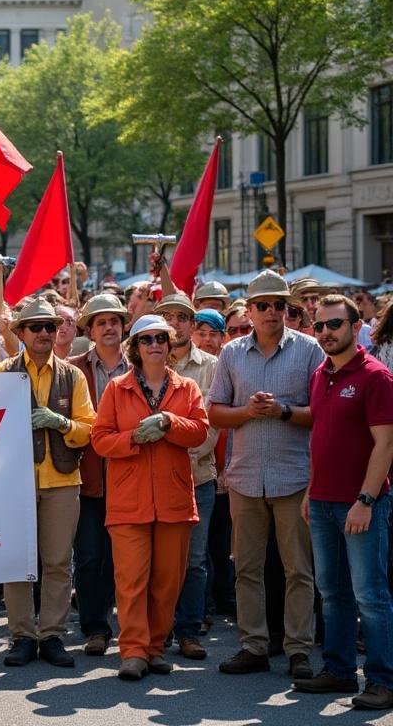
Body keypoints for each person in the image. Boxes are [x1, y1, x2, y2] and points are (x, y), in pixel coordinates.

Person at [209, 270, 325, 680]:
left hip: (294, 477)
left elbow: (323, 415)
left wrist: (284, 411)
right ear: (249, 310)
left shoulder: (311, 350)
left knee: (298, 570)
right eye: (263, 305)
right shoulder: (231, 353)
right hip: (245, 477)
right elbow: (214, 411)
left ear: (289, 309)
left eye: (280, 305)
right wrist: (248, 412)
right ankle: (254, 645)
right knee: (247, 568)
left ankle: (298, 650)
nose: (272, 312)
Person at [91, 315, 210, 681]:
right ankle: (133, 651)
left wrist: (170, 423)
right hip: (129, 499)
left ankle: (155, 647)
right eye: (147, 340)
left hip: (173, 498)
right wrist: (131, 440)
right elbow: (99, 439)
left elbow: (201, 431)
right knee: (131, 580)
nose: (155, 344)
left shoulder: (187, 387)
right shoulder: (116, 388)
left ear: (170, 343)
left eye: (161, 338)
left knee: (167, 581)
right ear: (136, 347)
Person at [293, 295, 393, 709]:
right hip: (321, 502)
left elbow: (386, 444)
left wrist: (366, 500)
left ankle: (383, 681)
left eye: (334, 325)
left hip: (361, 503)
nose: (325, 333)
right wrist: (310, 491)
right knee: (331, 592)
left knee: (370, 595)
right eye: (319, 326)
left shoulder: (376, 376)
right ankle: (337, 671)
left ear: (356, 327)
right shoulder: (320, 374)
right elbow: (321, 439)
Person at [0, 299, 95, 668]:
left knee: (57, 562)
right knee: (17, 562)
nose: (44, 333)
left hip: (63, 480)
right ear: (19, 333)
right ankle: (21, 635)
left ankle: (51, 635)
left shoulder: (73, 375)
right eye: (35, 327)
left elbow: (90, 429)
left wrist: (61, 423)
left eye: (50, 326)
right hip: (15, 483)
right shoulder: (1, 372)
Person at [156, 291, 220, 661]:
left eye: (182, 317)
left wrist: (178, 450)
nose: (175, 324)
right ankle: (160, 628)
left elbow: (209, 427)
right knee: (162, 559)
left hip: (197, 478)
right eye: (169, 317)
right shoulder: (148, 362)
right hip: (157, 481)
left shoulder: (212, 365)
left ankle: (189, 630)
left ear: (193, 326)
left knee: (194, 560)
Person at [68, 293, 130, 657]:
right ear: (89, 330)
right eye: (101, 322)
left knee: (129, 560)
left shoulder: (140, 365)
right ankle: (95, 628)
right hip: (88, 478)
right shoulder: (72, 369)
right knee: (90, 558)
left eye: (114, 321)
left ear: (123, 326)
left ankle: (136, 629)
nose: (109, 327)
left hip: (131, 478)